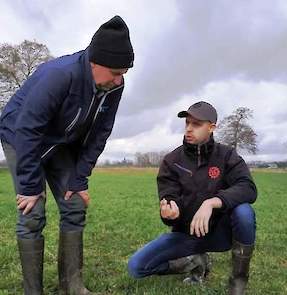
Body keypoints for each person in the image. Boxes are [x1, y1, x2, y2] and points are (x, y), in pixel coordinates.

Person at [0, 15, 134, 295]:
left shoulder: (114, 87)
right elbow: (27, 128)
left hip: (60, 142)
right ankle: (32, 291)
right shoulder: (60, 75)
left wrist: (79, 180)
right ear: (95, 62)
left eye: (124, 73)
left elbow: (100, 135)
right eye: (115, 72)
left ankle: (71, 286)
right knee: (32, 212)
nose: (120, 79)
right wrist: (29, 187)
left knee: (74, 205)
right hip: (21, 137)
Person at [128, 101, 257, 295]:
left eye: (196, 124)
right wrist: (169, 212)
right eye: (187, 123)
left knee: (244, 211)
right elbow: (168, 197)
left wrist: (212, 202)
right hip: (187, 235)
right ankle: (194, 261)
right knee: (136, 267)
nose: (189, 129)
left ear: (212, 127)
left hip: (221, 234)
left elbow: (248, 188)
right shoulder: (172, 161)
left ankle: (238, 283)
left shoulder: (227, 156)